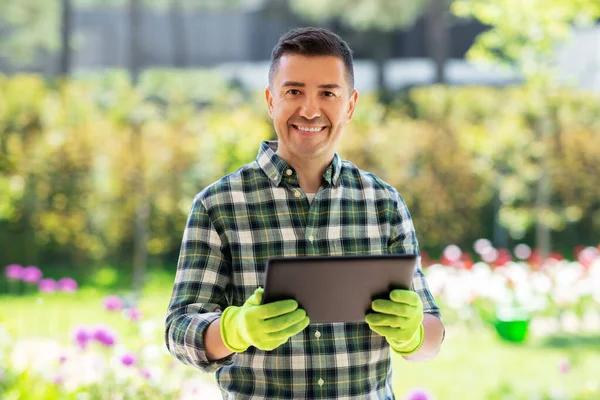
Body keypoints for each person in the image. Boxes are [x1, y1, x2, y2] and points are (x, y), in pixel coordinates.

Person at [165, 27, 445, 399]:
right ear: (270, 100)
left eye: (328, 93)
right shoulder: (218, 205)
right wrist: (236, 330)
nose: (310, 110)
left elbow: (432, 335)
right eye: (293, 91)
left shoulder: (384, 204)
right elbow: (179, 330)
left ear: (350, 104)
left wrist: (413, 334)